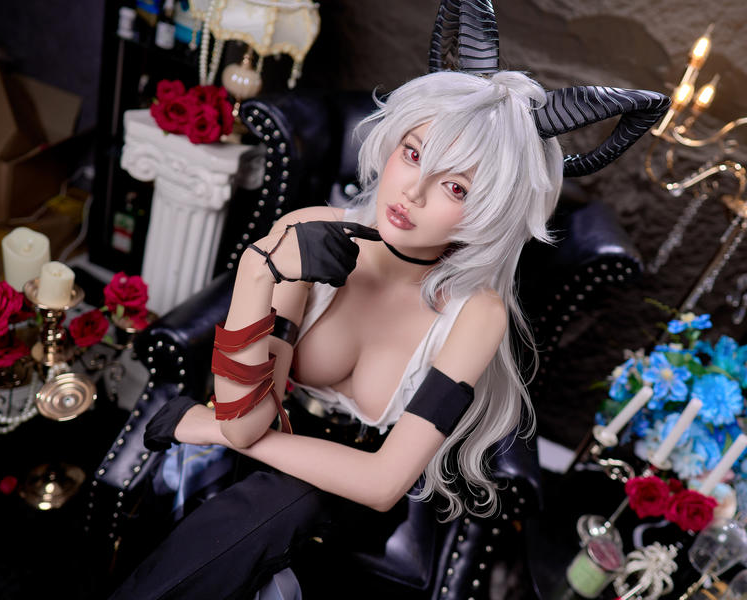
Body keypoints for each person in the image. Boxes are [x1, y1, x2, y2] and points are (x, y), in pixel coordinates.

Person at [111, 69, 566, 600]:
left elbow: (381, 484)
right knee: (262, 510)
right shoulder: (311, 232)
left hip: (357, 492)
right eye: (413, 154)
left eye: (455, 187)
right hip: (265, 437)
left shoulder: (478, 314)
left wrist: (210, 428)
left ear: (490, 211)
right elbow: (247, 422)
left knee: (278, 504)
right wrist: (258, 270)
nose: (412, 192)